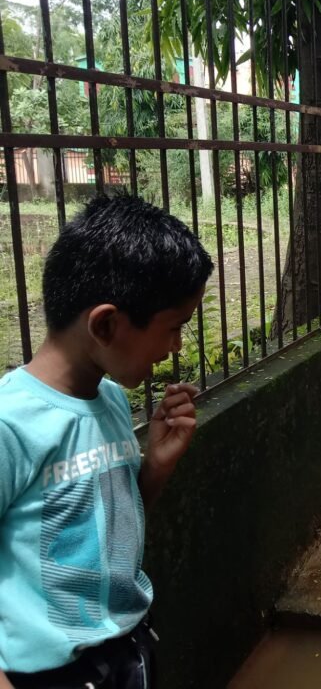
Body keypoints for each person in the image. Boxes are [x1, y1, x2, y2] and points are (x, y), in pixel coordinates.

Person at [0, 194, 213, 689]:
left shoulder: (113, 400)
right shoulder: (12, 423)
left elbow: (110, 531)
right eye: (173, 329)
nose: (176, 347)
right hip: (47, 674)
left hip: (126, 648)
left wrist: (155, 468)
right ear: (106, 324)